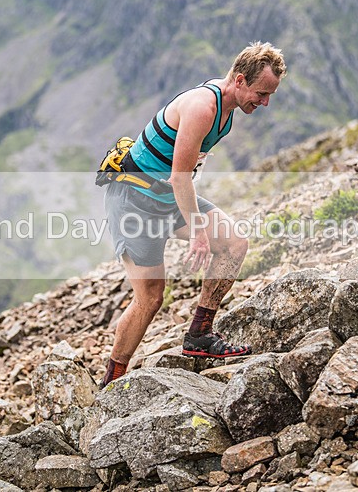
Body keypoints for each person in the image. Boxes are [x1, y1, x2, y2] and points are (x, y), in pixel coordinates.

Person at [101, 41, 286, 387]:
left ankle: (199, 334)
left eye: (269, 95)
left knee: (233, 244)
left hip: (167, 196)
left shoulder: (228, 109)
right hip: (133, 200)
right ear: (240, 80)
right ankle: (112, 381)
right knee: (151, 297)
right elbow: (180, 176)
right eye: (261, 94)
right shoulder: (204, 107)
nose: (264, 103)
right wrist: (198, 231)